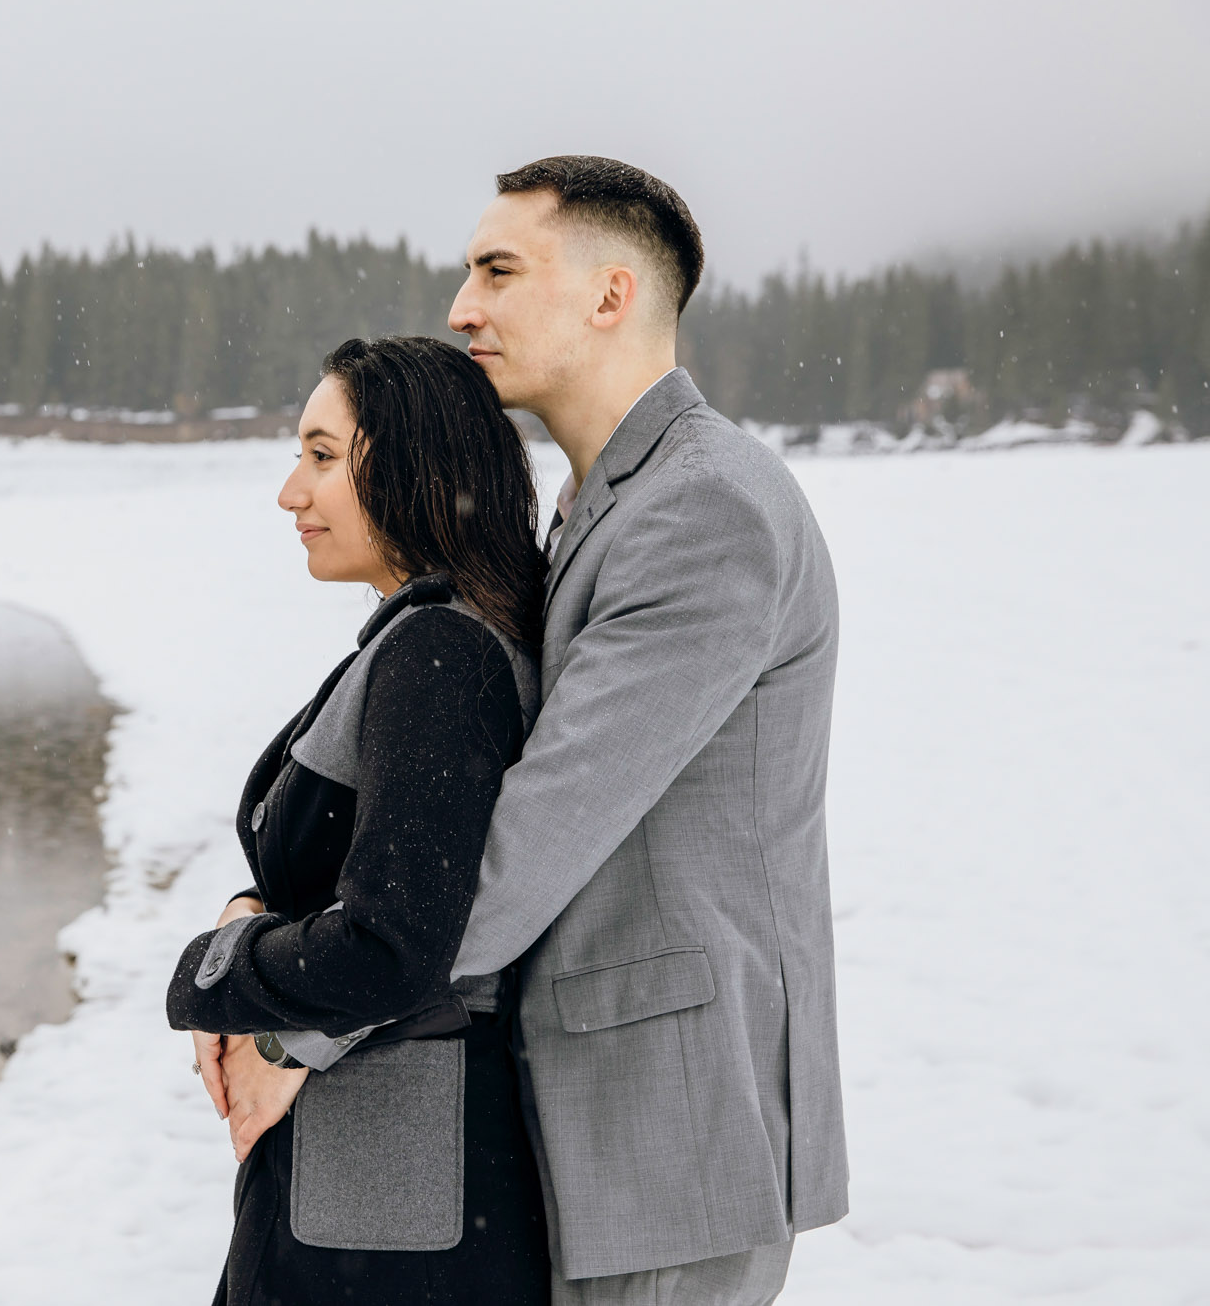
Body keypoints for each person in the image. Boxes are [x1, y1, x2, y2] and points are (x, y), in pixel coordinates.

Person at [223, 157, 851, 1306]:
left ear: (610, 295)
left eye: (497, 270)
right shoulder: (600, 504)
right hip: (575, 1125)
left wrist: (286, 1033)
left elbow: (520, 852)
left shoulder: (700, 507)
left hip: (663, 1131)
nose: (462, 307)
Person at [166, 335, 555, 1306]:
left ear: (414, 467)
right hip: (381, 1192)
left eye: (322, 455)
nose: (289, 492)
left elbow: (394, 941)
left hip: (386, 1215)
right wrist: (251, 905)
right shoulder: (427, 636)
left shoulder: (440, 651)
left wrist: (218, 975)